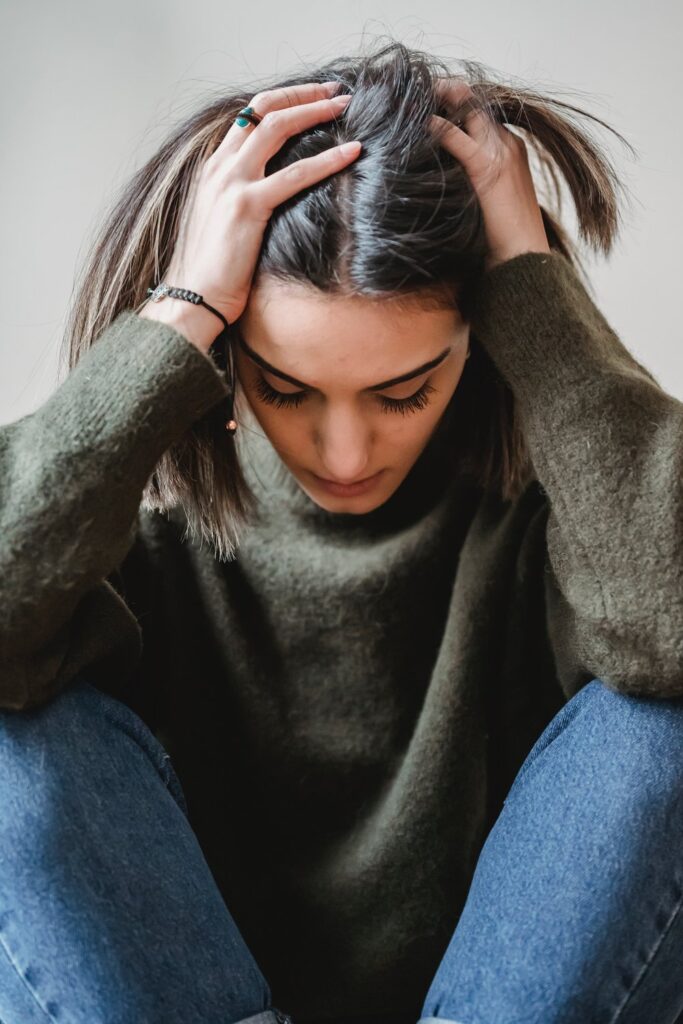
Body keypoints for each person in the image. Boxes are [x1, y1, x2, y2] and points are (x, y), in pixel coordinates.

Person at [1, 38, 682, 1024]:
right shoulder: (125, 517)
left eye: (403, 392)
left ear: (478, 345)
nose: (345, 450)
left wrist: (529, 283)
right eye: (284, 387)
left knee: (664, 725)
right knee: (14, 747)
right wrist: (178, 316)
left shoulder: (571, 516)